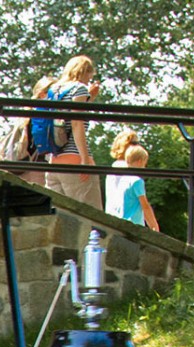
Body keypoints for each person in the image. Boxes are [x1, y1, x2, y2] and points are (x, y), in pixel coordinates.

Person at [43, 55, 103, 209]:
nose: (89, 80)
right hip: (74, 158)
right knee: (92, 219)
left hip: (54, 163)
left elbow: (64, 121)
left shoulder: (54, 90)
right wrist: (84, 160)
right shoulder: (79, 88)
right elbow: (76, 123)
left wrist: (90, 99)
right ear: (85, 72)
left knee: (62, 218)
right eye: (90, 75)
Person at [105, 131, 160, 231]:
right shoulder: (132, 175)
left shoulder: (113, 168)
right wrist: (154, 226)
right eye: (135, 143)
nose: (138, 146)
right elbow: (144, 205)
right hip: (131, 225)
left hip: (112, 222)